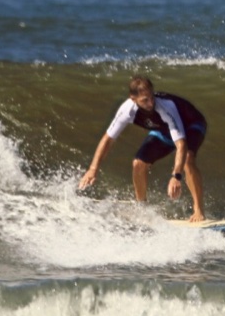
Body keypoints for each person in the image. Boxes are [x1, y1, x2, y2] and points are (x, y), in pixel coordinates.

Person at [79, 76, 208, 222]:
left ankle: (198, 210)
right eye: (145, 100)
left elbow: (181, 144)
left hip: (192, 125)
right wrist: (93, 169)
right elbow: (108, 139)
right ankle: (142, 207)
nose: (151, 103)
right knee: (138, 164)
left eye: (151, 97)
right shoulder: (127, 110)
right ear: (133, 98)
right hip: (164, 131)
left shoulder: (165, 107)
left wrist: (176, 176)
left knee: (187, 160)